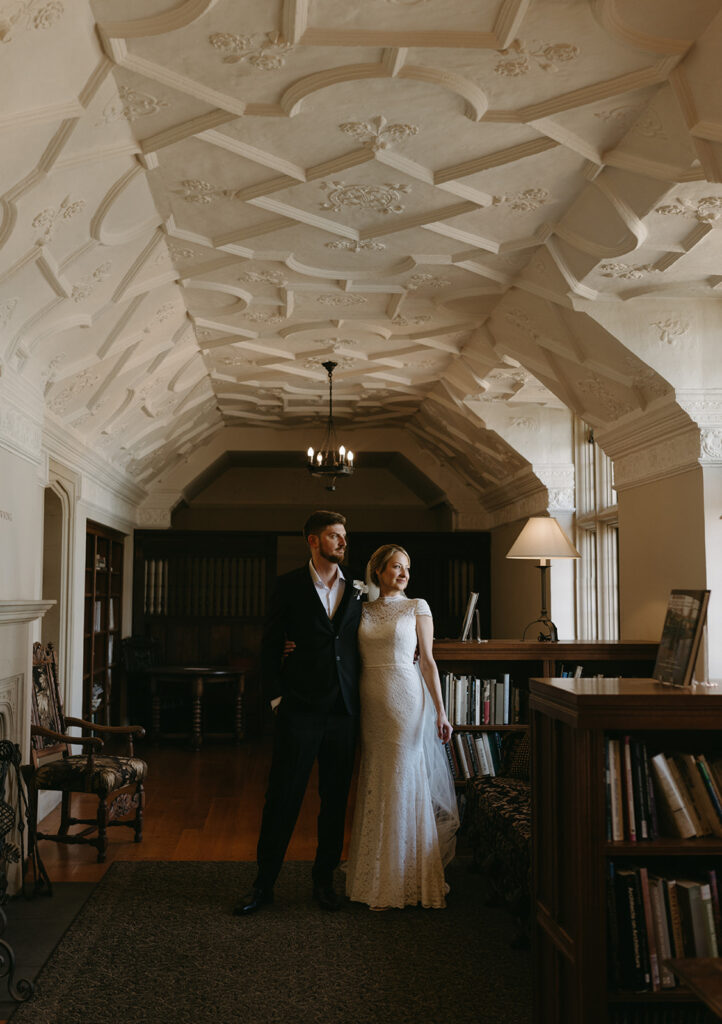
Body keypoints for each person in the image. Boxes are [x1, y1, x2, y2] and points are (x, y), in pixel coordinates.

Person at [234, 510, 363, 915]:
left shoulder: (360, 590)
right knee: (282, 798)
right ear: (312, 541)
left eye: (343, 536)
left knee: (335, 800)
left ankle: (323, 883)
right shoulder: (288, 586)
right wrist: (277, 700)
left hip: (343, 712)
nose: (342, 542)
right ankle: (263, 885)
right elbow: (270, 645)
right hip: (300, 709)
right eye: (333, 536)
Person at [345, 544, 459, 910]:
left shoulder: (417, 607)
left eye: (407, 567)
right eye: (396, 567)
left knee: (402, 773)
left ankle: (408, 876)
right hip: (370, 697)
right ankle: (374, 871)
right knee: (377, 774)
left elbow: (427, 661)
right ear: (378, 571)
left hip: (405, 696)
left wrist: (441, 712)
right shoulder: (360, 609)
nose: (404, 573)